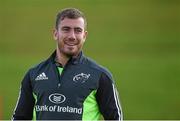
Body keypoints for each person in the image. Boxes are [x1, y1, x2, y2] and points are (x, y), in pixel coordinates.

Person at [12, 8, 123, 120]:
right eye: (66, 29)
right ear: (55, 34)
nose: (72, 36)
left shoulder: (100, 76)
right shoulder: (34, 74)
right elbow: (19, 118)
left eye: (78, 30)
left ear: (84, 36)